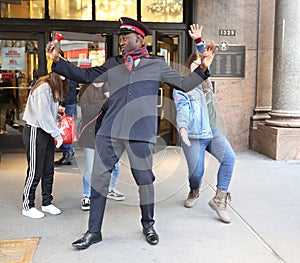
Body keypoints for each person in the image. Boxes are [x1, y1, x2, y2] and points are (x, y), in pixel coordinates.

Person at [46, 17, 217, 249]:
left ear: (139, 38)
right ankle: (93, 231)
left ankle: (148, 225)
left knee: (145, 181)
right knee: (99, 181)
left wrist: (204, 66)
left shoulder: (156, 64)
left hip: (140, 132)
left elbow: (185, 84)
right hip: (110, 131)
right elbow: (86, 76)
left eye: (126, 38)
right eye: (121, 38)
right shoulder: (113, 63)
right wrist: (58, 60)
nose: (122, 42)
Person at [174, 24, 235, 223]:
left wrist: (199, 41)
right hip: (193, 135)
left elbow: (205, 60)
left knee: (229, 159)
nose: (200, 68)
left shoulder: (207, 84)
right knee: (197, 173)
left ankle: (219, 199)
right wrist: (182, 128)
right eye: (195, 67)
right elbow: (182, 109)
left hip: (211, 131)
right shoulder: (182, 88)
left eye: (202, 67)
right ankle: (194, 191)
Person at [22, 72, 68, 218]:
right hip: (36, 130)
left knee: (48, 169)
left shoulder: (53, 86)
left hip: (45, 131)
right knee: (35, 170)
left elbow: (48, 113)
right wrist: (57, 134)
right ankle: (27, 205)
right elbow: (42, 116)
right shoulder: (44, 87)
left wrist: (58, 116)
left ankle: (47, 203)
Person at [78, 83, 125, 211]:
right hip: (91, 135)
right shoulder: (85, 91)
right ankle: (86, 196)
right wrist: (105, 102)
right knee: (90, 168)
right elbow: (87, 112)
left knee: (116, 165)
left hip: (108, 135)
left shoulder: (109, 89)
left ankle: (110, 189)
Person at [54, 78, 78, 165]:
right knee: (66, 128)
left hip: (66, 105)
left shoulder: (67, 78)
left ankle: (68, 152)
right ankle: (68, 153)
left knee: (64, 129)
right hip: (69, 103)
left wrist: (63, 104)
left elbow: (68, 93)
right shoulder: (72, 76)